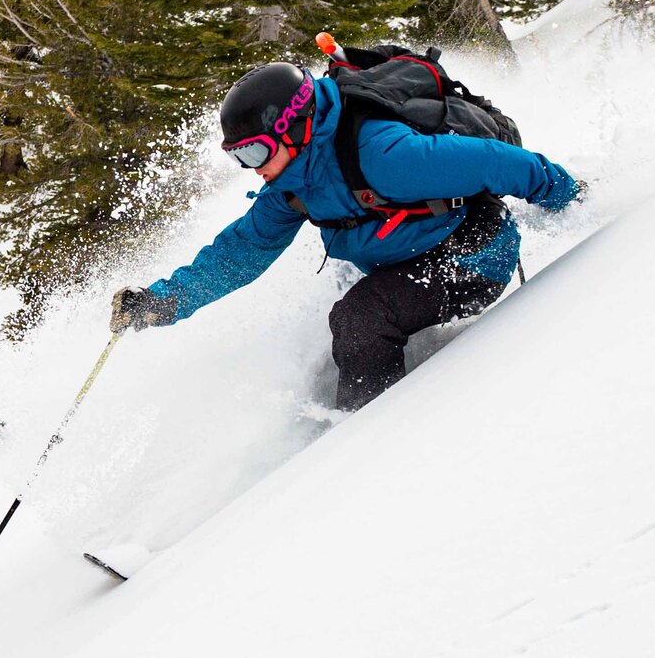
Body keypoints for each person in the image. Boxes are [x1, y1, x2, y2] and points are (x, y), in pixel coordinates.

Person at [110, 60, 580, 408]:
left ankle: (362, 444)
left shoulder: (383, 154)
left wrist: (572, 201)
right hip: (407, 254)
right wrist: (163, 302)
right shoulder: (293, 183)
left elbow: (498, 164)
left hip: (474, 252)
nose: (250, 170)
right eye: (238, 158)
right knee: (345, 299)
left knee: (359, 319)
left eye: (254, 154)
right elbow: (242, 251)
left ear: (294, 128)